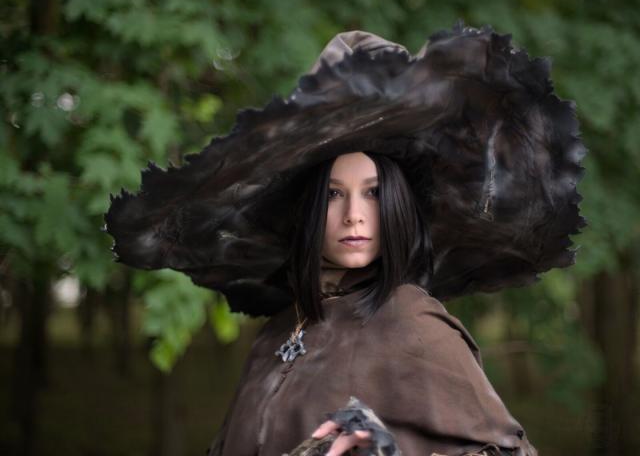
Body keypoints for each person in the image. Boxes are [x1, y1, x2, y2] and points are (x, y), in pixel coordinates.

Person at [105, 23, 586, 455]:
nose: (354, 216)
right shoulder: (277, 331)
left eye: (373, 194)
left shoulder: (412, 321)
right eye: (334, 195)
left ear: (397, 207)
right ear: (311, 211)